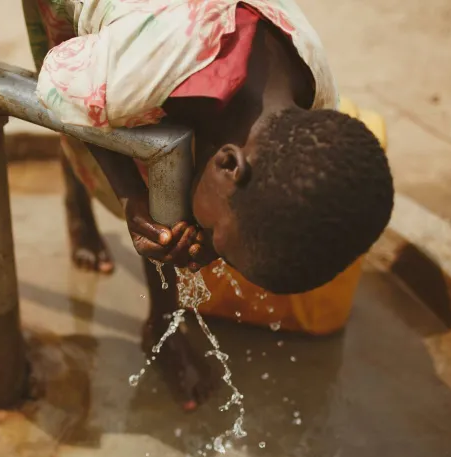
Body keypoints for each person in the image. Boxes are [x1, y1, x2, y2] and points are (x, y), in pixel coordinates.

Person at [22, 0, 394, 409]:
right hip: (106, 32)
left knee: (168, 178)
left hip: (160, 36)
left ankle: (161, 326)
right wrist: (132, 196)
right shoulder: (140, 73)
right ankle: (77, 203)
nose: (207, 252)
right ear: (229, 165)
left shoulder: (314, 90)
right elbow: (58, 88)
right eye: (220, 242)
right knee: (97, 125)